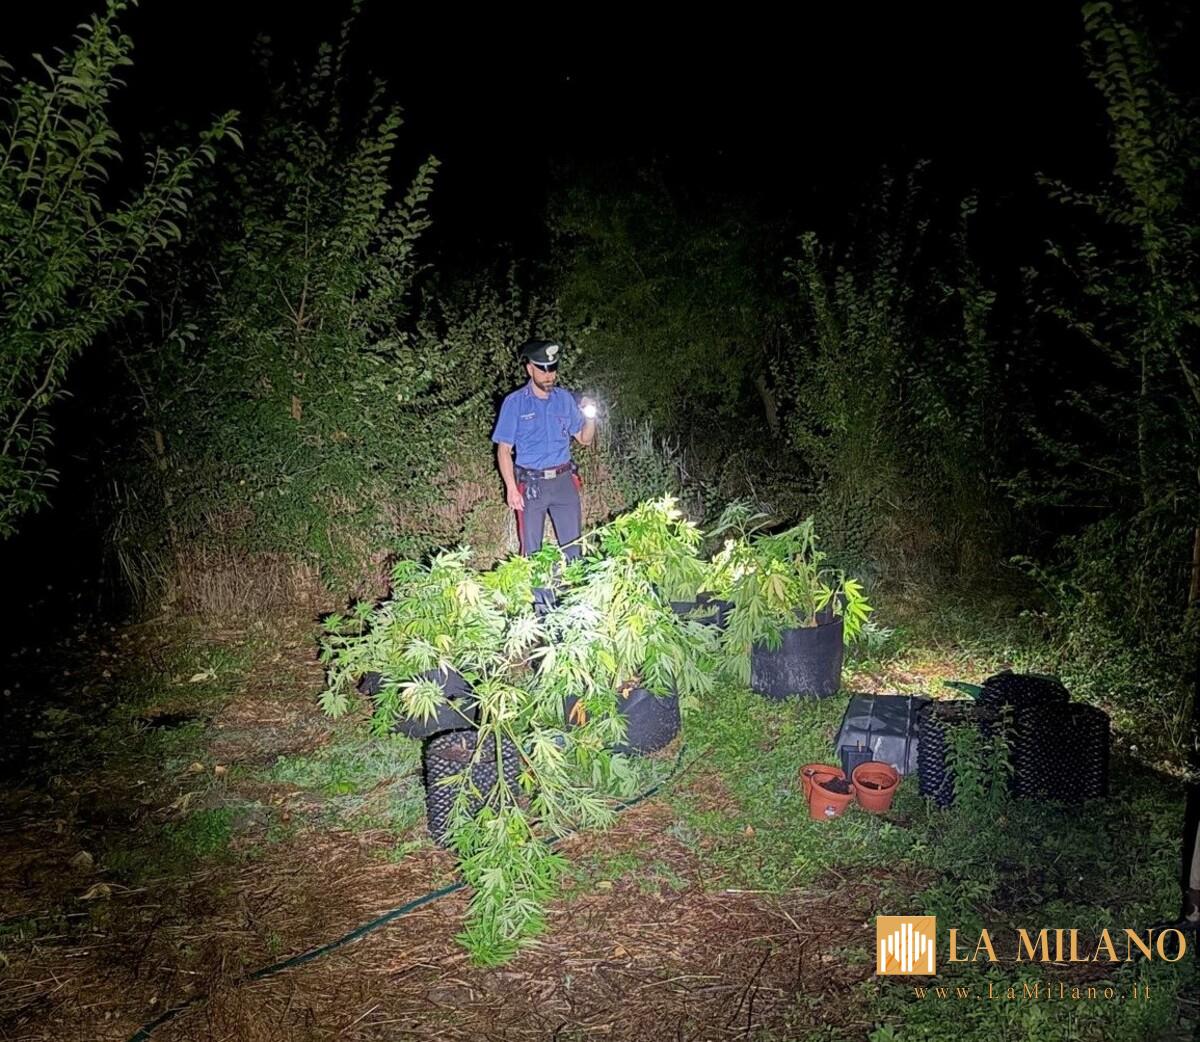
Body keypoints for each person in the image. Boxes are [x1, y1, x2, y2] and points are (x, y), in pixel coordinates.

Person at [492, 339, 596, 560]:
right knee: (532, 552)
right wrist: (511, 488)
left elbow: (584, 439)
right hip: (532, 485)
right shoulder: (515, 403)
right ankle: (535, 585)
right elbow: (504, 450)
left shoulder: (564, 399)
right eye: (543, 370)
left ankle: (573, 582)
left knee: (574, 549)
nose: (549, 376)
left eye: (552, 370)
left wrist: (591, 416)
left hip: (563, 481)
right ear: (530, 369)